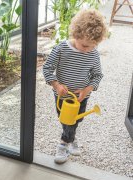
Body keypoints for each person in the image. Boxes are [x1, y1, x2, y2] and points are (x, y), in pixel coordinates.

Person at [43, 9, 107, 164]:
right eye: (84, 45)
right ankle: (71, 138)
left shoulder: (93, 53)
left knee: (74, 121)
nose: (87, 50)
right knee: (64, 119)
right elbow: (47, 68)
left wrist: (87, 90)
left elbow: (98, 75)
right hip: (62, 96)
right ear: (76, 34)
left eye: (91, 46)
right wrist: (56, 85)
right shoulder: (61, 49)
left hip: (81, 97)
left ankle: (63, 144)